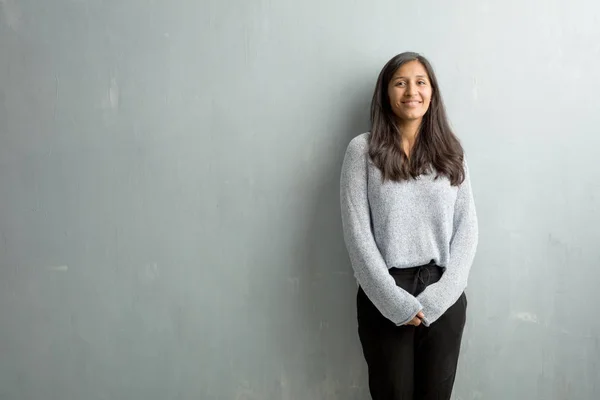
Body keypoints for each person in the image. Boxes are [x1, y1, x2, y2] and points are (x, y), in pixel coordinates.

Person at [339, 52, 479, 400]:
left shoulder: (451, 152)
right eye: (400, 82)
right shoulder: (363, 151)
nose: (411, 91)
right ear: (386, 93)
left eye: (420, 82)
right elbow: (357, 233)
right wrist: (392, 300)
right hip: (384, 290)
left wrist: (441, 296)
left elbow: (468, 229)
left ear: (432, 92)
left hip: (443, 291)